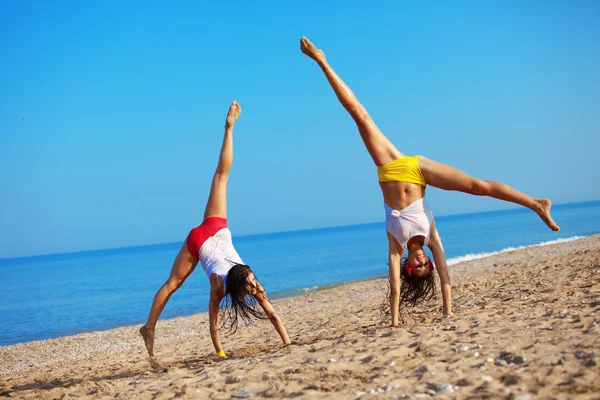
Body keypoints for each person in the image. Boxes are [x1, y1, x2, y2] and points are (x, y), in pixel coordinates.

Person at [299, 37, 559, 325]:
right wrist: (448, 312)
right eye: (427, 264)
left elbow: (394, 288)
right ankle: (535, 203)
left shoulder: (396, 245)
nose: (423, 261)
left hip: (391, 167)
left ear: (408, 267)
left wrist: (395, 322)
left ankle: (322, 61)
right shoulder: (432, 238)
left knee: (359, 116)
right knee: (477, 187)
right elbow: (446, 277)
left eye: (418, 265)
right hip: (419, 171)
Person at [139, 101, 291, 357]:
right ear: (239, 285)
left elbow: (273, 314)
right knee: (173, 283)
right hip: (200, 241)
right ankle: (149, 327)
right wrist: (220, 353)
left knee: (221, 177)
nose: (255, 290)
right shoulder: (217, 287)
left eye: (252, 286)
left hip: (215, 228)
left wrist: (287, 343)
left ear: (248, 274)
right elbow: (214, 325)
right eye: (252, 288)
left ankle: (229, 129)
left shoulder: (249, 277)